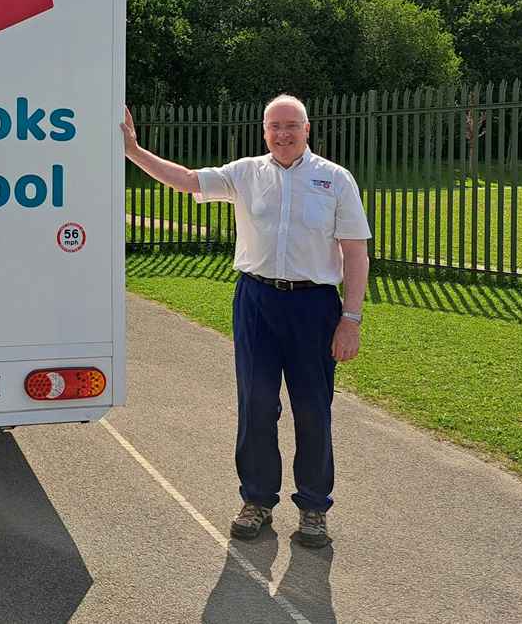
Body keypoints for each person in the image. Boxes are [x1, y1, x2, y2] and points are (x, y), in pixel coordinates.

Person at [121, 95, 371, 549]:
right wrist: (134, 151)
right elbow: (186, 180)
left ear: (307, 129)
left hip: (314, 306)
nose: (283, 134)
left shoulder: (335, 180)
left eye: (291, 125)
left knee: (313, 409)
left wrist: (349, 320)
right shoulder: (246, 173)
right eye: (274, 126)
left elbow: (355, 252)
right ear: (264, 131)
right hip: (255, 300)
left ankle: (314, 507)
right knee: (256, 406)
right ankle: (257, 501)